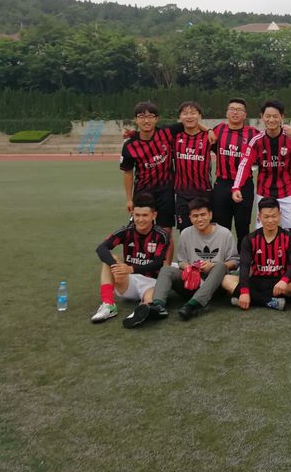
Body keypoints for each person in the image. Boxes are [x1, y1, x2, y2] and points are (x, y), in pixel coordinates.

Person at [123, 197, 238, 327]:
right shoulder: (185, 233)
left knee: (220, 266)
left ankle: (193, 305)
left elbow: (234, 262)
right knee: (166, 269)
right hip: (191, 283)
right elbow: (181, 261)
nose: (199, 219)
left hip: (215, 286)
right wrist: (189, 268)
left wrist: (213, 265)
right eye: (195, 216)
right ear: (190, 218)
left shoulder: (224, 233)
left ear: (210, 215)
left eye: (203, 215)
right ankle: (158, 306)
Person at [231, 99, 291, 255]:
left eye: (275, 116)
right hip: (264, 193)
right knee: (263, 232)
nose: (271, 120)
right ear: (262, 117)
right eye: (268, 116)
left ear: (282, 117)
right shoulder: (256, 140)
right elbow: (244, 164)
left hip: (287, 193)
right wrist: (236, 187)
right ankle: (262, 262)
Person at [91, 193, 169, 323]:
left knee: (150, 300)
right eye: (137, 215)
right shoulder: (126, 231)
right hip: (128, 281)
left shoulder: (161, 235)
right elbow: (101, 248)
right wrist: (115, 266)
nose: (140, 219)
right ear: (132, 214)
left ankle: (142, 310)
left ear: (154, 215)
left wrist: (131, 269)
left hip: (151, 282)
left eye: (145, 215)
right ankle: (108, 305)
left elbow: (158, 263)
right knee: (110, 259)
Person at [119, 101, 178, 262]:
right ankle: (140, 265)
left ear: (156, 119)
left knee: (166, 232)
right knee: (140, 230)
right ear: (136, 119)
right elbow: (127, 172)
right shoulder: (129, 145)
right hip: (143, 193)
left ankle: (165, 269)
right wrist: (129, 199)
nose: (146, 120)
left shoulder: (166, 133)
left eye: (150, 116)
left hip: (166, 191)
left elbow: (190, 122)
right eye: (141, 116)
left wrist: (209, 130)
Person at [231, 198, 291, 311]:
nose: (270, 220)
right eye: (266, 217)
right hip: (257, 281)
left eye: (274, 216)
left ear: (280, 215)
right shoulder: (250, 239)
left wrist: (284, 280)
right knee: (227, 280)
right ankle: (269, 301)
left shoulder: (290, 238)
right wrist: (244, 291)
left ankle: (252, 298)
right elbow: (244, 265)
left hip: (279, 282)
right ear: (259, 217)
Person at [212, 98, 260, 251]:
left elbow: (272, 135)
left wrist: (286, 127)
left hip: (244, 185)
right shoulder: (218, 130)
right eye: (231, 109)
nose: (235, 112)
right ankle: (222, 258)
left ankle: (243, 258)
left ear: (245, 115)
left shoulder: (253, 133)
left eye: (239, 110)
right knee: (221, 226)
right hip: (222, 184)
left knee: (242, 225)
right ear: (226, 113)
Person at [171, 101, 213, 231]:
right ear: (180, 117)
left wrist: (209, 130)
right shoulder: (174, 137)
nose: (189, 116)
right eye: (185, 113)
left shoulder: (209, 137)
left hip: (203, 192)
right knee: (184, 231)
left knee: (204, 230)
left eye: (193, 113)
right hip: (182, 194)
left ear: (200, 116)